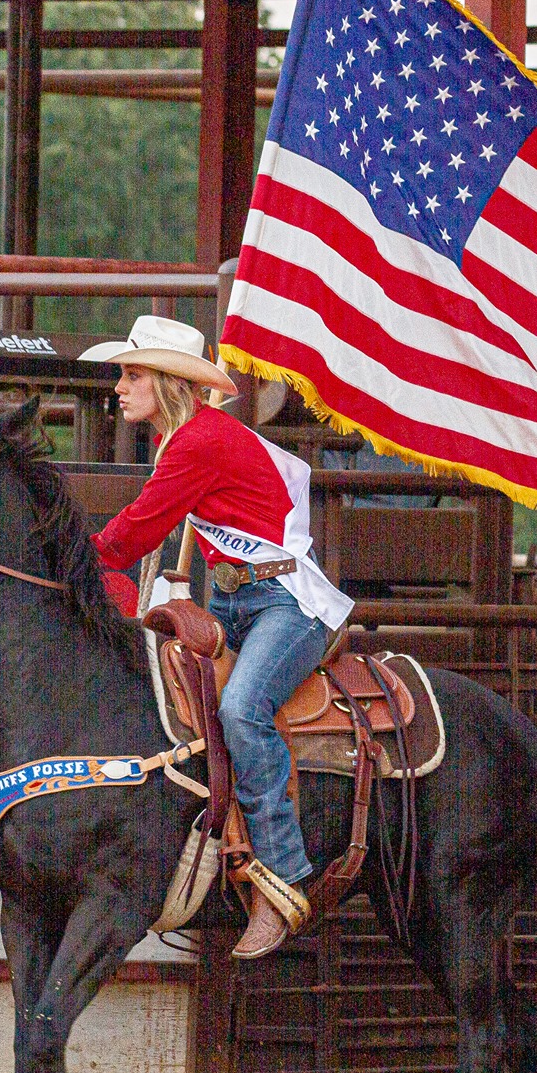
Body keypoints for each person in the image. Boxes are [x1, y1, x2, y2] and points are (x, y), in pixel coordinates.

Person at [83, 314, 353, 962]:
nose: (119, 387)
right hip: (236, 599)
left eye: (132, 374)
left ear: (167, 382)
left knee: (240, 709)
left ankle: (283, 878)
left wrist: (62, 557)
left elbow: (133, 533)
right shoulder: (187, 437)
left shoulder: (198, 441)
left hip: (287, 603)